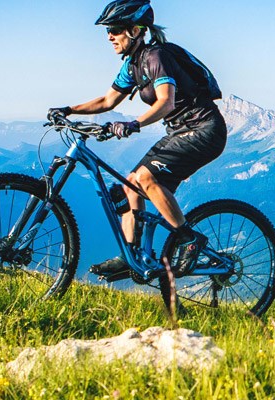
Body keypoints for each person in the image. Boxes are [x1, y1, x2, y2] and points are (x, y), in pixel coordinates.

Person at [48, 0, 227, 275]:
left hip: (204, 130)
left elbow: (166, 102)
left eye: (115, 29)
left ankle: (189, 240)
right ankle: (131, 255)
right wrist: (69, 109)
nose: (109, 36)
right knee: (130, 184)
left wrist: (133, 124)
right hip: (180, 131)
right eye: (108, 30)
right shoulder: (133, 64)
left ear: (134, 30)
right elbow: (108, 100)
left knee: (146, 178)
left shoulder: (156, 57)